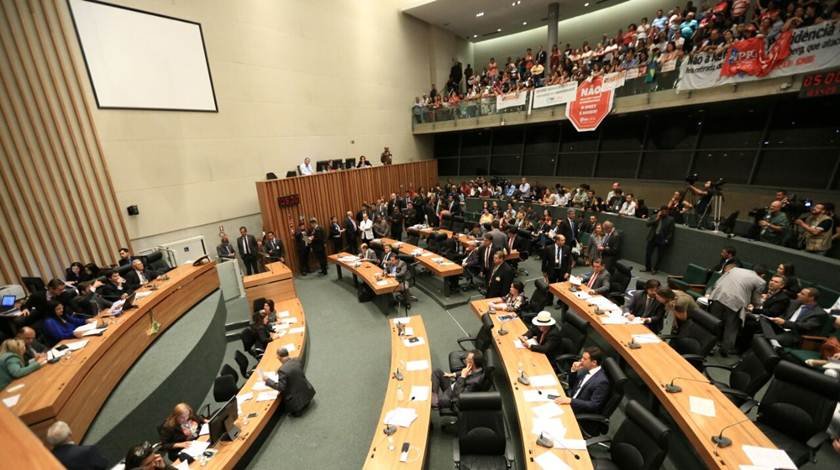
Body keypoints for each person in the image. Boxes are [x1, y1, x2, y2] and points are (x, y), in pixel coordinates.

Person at [707, 261, 765, 356]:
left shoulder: (735, 269)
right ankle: (725, 350)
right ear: (763, 275)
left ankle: (709, 347)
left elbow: (718, 282)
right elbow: (756, 299)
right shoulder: (760, 281)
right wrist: (757, 306)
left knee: (713, 322)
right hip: (735, 303)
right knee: (731, 327)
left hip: (718, 296)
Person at [760, 288, 828, 348]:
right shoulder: (794, 303)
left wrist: (785, 323)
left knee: (766, 339)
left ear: (811, 298)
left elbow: (805, 326)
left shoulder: (819, 313)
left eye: (802, 294)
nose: (798, 294)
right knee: (761, 321)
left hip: (795, 334)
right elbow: (784, 315)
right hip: (780, 328)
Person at [553, 347, 608, 414]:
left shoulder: (602, 382)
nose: (581, 360)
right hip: (569, 400)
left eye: (584, 359)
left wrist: (571, 401)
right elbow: (572, 385)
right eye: (582, 357)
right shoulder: (585, 368)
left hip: (578, 410)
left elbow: (593, 405)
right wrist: (574, 371)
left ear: (594, 362)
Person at [263, 347, 316, 416]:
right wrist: (282, 368)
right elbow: (291, 369)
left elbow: (281, 387)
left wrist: (267, 380)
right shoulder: (297, 360)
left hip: (297, 405)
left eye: (277, 356)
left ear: (279, 357)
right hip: (308, 395)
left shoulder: (282, 370)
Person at [643, 206, 675, 274]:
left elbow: (671, 232)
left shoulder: (670, 219)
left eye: (666, 211)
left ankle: (655, 269)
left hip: (662, 239)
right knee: (648, 254)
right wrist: (657, 219)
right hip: (652, 237)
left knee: (659, 256)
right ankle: (648, 268)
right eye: (663, 211)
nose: (664, 212)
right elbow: (647, 224)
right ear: (660, 211)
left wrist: (667, 239)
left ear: (667, 212)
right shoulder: (654, 216)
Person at [542, 235, 572, 308]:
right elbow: (544, 261)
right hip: (552, 270)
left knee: (562, 288)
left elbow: (569, 262)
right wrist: (544, 272)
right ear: (557, 241)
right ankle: (549, 301)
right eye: (562, 240)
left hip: (563, 271)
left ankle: (560, 302)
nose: (564, 242)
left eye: (564, 240)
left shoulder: (567, 248)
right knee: (551, 286)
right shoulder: (549, 248)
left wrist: (568, 272)